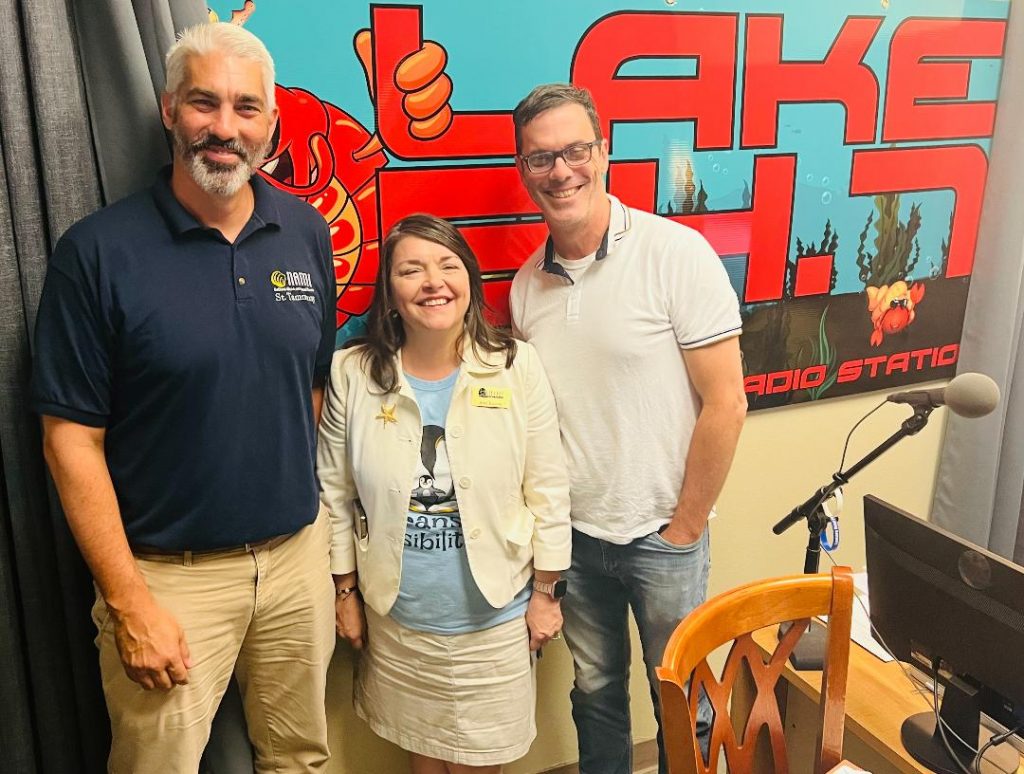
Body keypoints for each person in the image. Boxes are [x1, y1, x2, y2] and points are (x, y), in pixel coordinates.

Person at [30, 22, 336, 773]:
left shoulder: (304, 232)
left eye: (246, 107)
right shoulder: (97, 254)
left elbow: (312, 388)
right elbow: (70, 441)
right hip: (167, 578)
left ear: (271, 122)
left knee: (300, 759)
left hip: (296, 564)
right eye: (205, 103)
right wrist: (129, 602)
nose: (225, 127)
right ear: (169, 109)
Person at [509, 83, 747, 774]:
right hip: (574, 541)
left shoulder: (676, 253)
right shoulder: (527, 286)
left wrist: (686, 527)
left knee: (683, 702)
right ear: (524, 170)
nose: (561, 171)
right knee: (595, 698)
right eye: (541, 158)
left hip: (662, 536)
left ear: (604, 153)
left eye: (575, 151)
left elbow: (726, 403)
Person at [317, 213, 571, 773]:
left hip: (494, 618)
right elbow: (333, 493)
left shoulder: (515, 365)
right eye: (411, 270)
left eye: (447, 266)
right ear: (390, 293)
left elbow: (548, 487)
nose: (433, 282)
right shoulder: (352, 372)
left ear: (470, 281)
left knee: (480, 762)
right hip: (398, 618)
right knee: (424, 759)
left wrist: (548, 593)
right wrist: (344, 593)